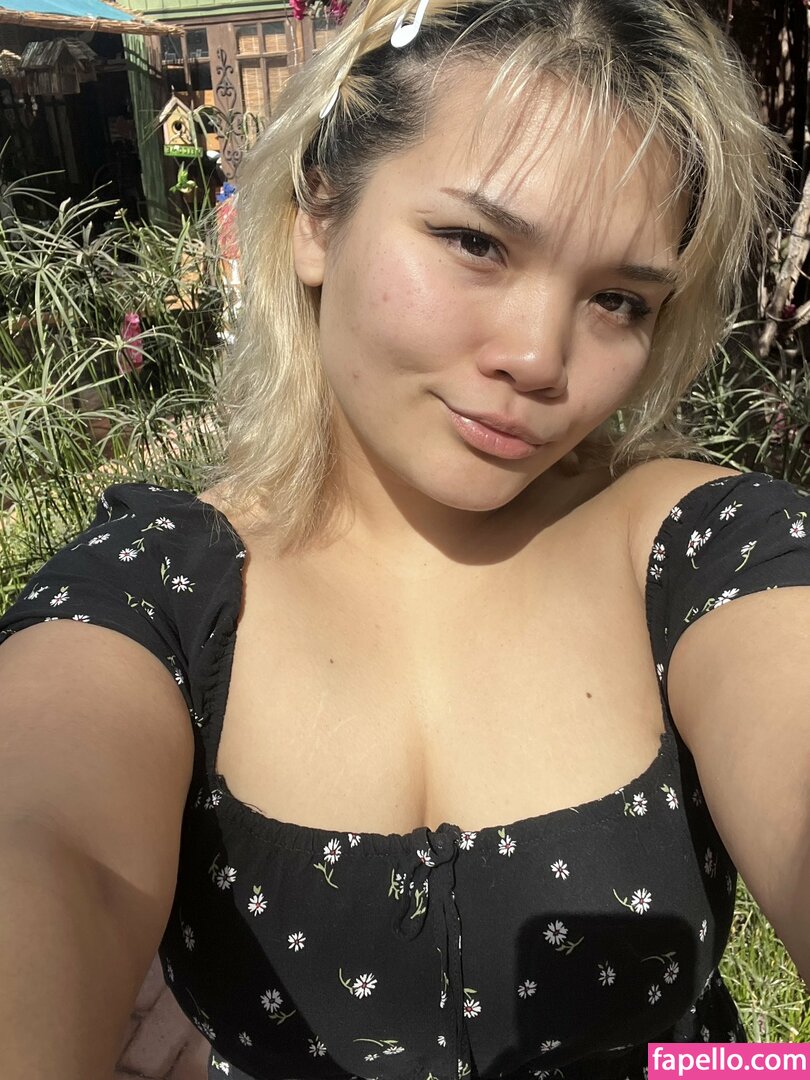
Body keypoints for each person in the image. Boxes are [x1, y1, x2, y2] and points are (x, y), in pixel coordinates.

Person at [1, 1, 808, 1077]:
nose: (539, 356)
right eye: (477, 243)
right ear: (317, 215)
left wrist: (742, 1071)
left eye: (619, 300)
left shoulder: (705, 553)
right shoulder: (154, 595)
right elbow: (47, 852)